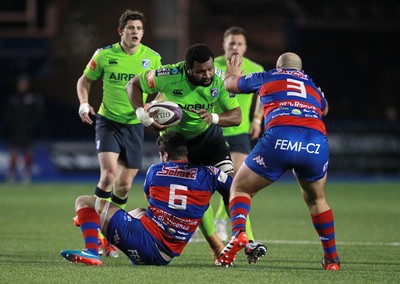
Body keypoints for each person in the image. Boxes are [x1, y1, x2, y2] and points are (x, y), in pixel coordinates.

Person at [126, 43, 265, 264]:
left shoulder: (217, 80)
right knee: (195, 195)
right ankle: (217, 247)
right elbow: (133, 84)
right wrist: (141, 113)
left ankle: (247, 241)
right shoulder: (168, 74)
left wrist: (215, 118)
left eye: (209, 69)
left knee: (233, 185)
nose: (207, 74)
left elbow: (237, 115)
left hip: (210, 139)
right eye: (201, 71)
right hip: (177, 144)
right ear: (187, 68)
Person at [218, 52, 341, 270]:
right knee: (317, 199)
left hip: (280, 137)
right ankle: (331, 260)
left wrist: (232, 74)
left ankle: (238, 234)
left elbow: (231, 86)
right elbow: (325, 108)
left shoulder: (269, 76)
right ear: (300, 70)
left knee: (240, 187)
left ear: (278, 66)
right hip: (313, 141)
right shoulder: (310, 84)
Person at [60, 132, 233, 266]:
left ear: (165, 156)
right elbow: (233, 188)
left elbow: (149, 198)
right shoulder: (210, 174)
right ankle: (94, 219)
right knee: (141, 212)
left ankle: (91, 250)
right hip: (165, 256)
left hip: (144, 243)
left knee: (83, 201)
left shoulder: (156, 170)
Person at [75, 9, 162, 257]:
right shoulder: (104, 55)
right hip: (108, 121)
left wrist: (151, 106)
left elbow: (162, 87)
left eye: (139, 29)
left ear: (143, 33)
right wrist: (84, 102)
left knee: (123, 186)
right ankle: (97, 229)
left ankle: (109, 235)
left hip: (134, 125)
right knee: (108, 176)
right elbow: (84, 80)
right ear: (121, 31)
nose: (135, 32)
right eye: (131, 28)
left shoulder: (153, 58)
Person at [213, 26, 264, 242]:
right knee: (205, 179)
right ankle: (199, 221)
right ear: (224, 44)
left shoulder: (254, 68)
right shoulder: (211, 65)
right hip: (213, 130)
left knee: (236, 180)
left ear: (245, 47)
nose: (235, 46)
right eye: (231, 42)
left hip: (239, 131)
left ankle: (220, 220)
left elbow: (263, 93)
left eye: (239, 43)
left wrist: (257, 119)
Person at [3, 74, 44, 183]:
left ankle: (27, 174)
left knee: (28, 152)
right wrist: (11, 126)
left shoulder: (33, 98)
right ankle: (12, 173)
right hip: (16, 130)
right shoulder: (13, 98)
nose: (22, 86)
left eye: (24, 84)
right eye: (21, 84)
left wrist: (32, 125)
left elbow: (38, 113)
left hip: (28, 130)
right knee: (14, 152)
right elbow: (7, 114)